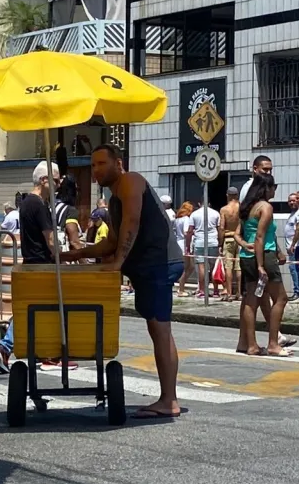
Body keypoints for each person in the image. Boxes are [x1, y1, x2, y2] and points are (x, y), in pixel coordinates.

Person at [60, 144, 184, 419]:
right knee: (159, 330)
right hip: (149, 268)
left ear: (119, 163)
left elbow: (133, 221)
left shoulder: (130, 181)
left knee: (160, 330)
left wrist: (117, 263)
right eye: (93, 165)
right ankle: (169, 397)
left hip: (158, 265)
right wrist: (77, 252)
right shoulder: (114, 195)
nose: (96, 170)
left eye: (101, 163)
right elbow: (113, 240)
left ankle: (168, 400)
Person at [0, 160, 61, 372]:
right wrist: (61, 254)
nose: (59, 185)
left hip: (30, 262)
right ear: (44, 180)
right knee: (39, 309)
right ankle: (7, 347)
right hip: (42, 265)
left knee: (28, 309)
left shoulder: (26, 203)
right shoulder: (39, 205)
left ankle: (13, 348)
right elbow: (50, 239)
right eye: (56, 180)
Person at [233, 174, 290, 357]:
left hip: (246, 255)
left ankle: (250, 345)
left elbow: (238, 234)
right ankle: (273, 343)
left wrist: (244, 245)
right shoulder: (266, 207)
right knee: (280, 298)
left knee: (251, 300)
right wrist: (261, 265)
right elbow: (260, 236)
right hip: (264, 254)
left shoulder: (247, 207)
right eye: (274, 187)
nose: (275, 190)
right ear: (267, 188)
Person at [186, 200, 221, 300]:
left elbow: (189, 231)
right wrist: (220, 243)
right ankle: (215, 290)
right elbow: (219, 229)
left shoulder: (194, 214)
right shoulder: (215, 213)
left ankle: (202, 290)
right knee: (214, 266)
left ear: (199, 203)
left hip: (199, 242)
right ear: (209, 204)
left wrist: (188, 246)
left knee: (202, 267)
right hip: (213, 241)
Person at [219, 187, 242, 302]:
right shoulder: (241, 208)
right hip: (240, 239)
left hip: (228, 238)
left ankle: (228, 293)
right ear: (237, 195)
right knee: (238, 267)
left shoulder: (224, 209)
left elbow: (222, 227)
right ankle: (239, 292)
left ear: (227, 195)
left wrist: (220, 242)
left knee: (228, 266)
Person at [173, 201, 195, 297]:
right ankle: (181, 289)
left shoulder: (178, 219)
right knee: (187, 268)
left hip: (179, 242)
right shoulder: (186, 219)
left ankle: (181, 287)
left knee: (189, 267)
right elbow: (186, 233)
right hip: (184, 244)